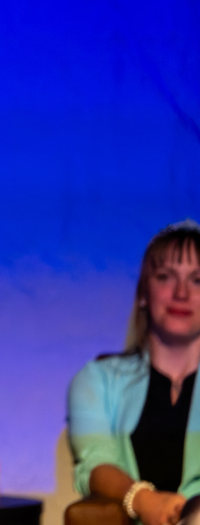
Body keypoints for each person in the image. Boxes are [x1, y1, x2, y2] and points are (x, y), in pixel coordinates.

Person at [68, 220, 200, 525]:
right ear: (143, 293)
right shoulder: (96, 380)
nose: (181, 293)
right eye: (166, 277)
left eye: (197, 280)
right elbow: (95, 462)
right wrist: (143, 500)